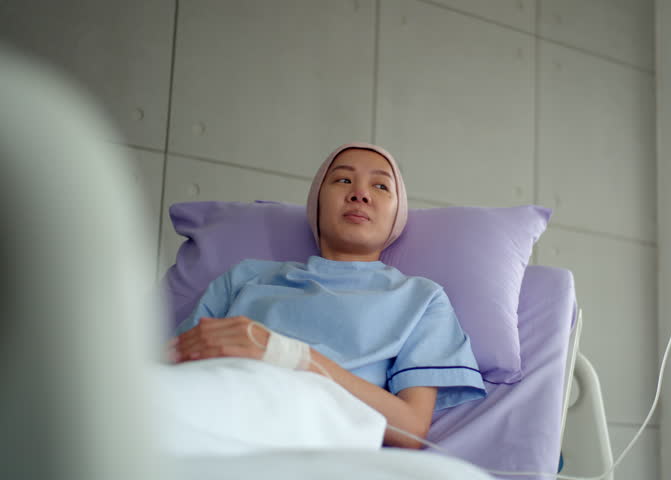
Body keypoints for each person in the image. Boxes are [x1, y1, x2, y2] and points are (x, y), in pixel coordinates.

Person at [168, 142, 486, 449]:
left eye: (381, 187)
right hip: (208, 401)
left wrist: (286, 353)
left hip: (313, 426)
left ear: (397, 215)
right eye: (343, 180)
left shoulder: (420, 299)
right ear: (317, 204)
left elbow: (411, 428)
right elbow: (171, 362)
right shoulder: (245, 278)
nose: (360, 194)